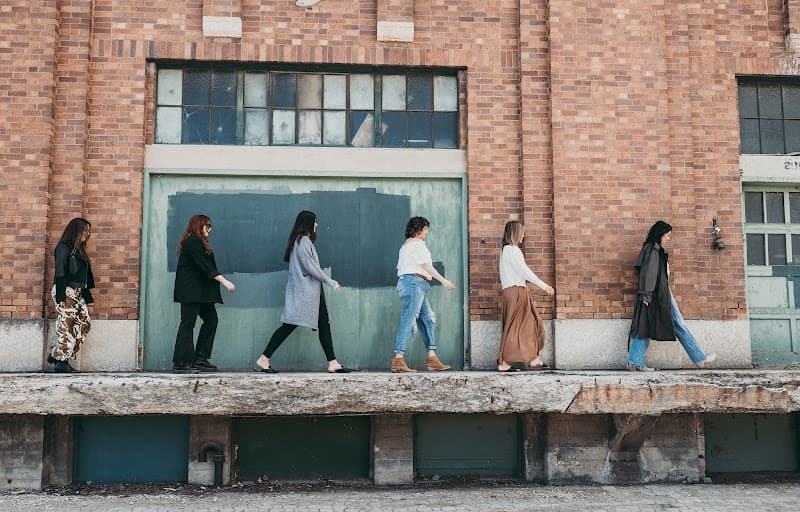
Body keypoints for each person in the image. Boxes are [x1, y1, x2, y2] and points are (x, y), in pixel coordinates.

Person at [255, 211, 352, 374]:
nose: (317, 225)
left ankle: (333, 362)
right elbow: (310, 266)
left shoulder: (298, 241)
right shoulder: (304, 241)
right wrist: (330, 281)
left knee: (323, 323)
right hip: (306, 292)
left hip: (308, 291)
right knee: (290, 325)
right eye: (315, 222)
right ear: (308, 223)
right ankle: (264, 358)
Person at [627, 220, 717, 371]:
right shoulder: (653, 250)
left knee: (647, 324)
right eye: (667, 235)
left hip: (658, 292)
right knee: (666, 324)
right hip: (656, 294)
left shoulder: (653, 249)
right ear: (660, 235)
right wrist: (647, 295)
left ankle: (635, 361)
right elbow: (648, 274)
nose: (669, 238)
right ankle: (699, 357)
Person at [391, 216, 456, 373]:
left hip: (413, 284)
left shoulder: (405, 246)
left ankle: (432, 357)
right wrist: (443, 280)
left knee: (427, 319)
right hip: (415, 285)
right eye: (426, 229)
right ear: (419, 230)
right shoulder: (418, 245)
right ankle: (398, 358)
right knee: (409, 319)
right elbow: (426, 266)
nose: (427, 232)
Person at [172, 215, 235, 374]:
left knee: (211, 320)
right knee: (188, 323)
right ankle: (181, 362)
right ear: (199, 226)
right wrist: (225, 282)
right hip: (191, 291)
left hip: (201, 292)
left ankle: (200, 358)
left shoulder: (198, 242)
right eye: (208, 225)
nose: (210, 229)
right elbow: (206, 267)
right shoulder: (192, 241)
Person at [497, 221, 555, 372]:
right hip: (516, 292)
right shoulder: (511, 250)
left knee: (530, 326)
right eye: (522, 232)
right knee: (515, 328)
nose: (523, 235)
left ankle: (533, 358)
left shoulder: (508, 250)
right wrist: (544, 286)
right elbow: (524, 272)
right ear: (515, 233)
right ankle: (504, 362)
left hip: (517, 291)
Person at [49, 218, 95, 373]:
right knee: (65, 326)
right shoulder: (63, 248)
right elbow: (60, 273)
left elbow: (85, 279)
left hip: (78, 293)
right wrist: (61, 297)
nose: (87, 234)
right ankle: (61, 362)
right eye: (85, 230)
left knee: (84, 324)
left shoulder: (80, 251)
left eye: (89, 230)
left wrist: (88, 299)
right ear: (76, 231)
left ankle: (58, 355)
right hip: (65, 291)